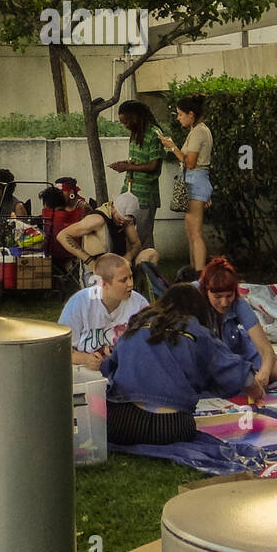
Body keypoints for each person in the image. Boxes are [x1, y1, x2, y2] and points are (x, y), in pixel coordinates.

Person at [101, 284, 263, 445]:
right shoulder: (198, 333)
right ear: (199, 310)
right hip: (169, 427)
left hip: (120, 423)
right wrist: (258, 394)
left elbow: (108, 367)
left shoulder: (137, 326)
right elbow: (237, 373)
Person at [198, 257, 277, 389]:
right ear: (206, 290)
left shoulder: (239, 304)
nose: (224, 303)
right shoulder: (193, 299)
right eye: (217, 297)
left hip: (240, 351)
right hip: (207, 360)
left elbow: (265, 348)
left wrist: (264, 373)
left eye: (229, 296)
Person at [58, 253, 149, 370]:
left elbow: (151, 344)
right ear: (104, 284)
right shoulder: (79, 303)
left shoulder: (139, 303)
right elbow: (60, 349)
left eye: (130, 277)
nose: (130, 283)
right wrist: (85, 359)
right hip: (86, 372)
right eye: (123, 280)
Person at [160, 92, 212, 271]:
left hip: (195, 180)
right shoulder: (196, 131)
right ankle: (194, 272)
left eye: (180, 114)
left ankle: (199, 274)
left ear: (191, 114)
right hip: (194, 181)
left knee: (195, 234)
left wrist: (172, 147)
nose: (178, 118)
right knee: (191, 233)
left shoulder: (199, 132)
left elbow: (190, 162)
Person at [109, 100, 164, 251]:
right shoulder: (135, 133)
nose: (125, 125)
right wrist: (124, 164)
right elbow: (136, 161)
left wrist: (128, 166)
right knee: (127, 236)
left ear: (136, 117)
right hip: (129, 191)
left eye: (126, 121)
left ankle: (146, 270)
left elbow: (153, 165)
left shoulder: (154, 134)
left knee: (143, 238)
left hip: (145, 195)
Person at [55, 190, 146, 271]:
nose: (122, 223)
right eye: (120, 219)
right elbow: (62, 236)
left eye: (126, 221)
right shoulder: (96, 220)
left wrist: (128, 257)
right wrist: (90, 261)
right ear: (113, 207)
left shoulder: (126, 221)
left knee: (151, 254)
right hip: (96, 268)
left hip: (118, 266)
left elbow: (136, 244)